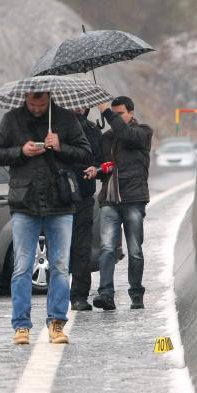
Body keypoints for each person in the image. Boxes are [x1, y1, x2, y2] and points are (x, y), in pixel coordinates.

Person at [0, 92, 92, 345]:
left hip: (60, 203)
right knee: (22, 267)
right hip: (24, 203)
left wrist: (59, 146)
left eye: (41, 104)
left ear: (50, 99)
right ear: (25, 98)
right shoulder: (11, 119)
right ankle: (21, 326)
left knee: (60, 266)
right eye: (32, 104)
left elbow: (86, 153)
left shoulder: (66, 119)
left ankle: (57, 323)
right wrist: (21, 152)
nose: (36, 109)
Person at [84, 96, 153, 311]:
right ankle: (106, 294)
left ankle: (136, 294)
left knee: (134, 250)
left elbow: (126, 134)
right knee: (106, 249)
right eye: (114, 113)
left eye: (120, 113)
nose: (117, 117)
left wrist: (106, 112)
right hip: (109, 199)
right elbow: (105, 166)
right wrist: (95, 170)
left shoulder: (142, 132)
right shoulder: (107, 138)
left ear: (131, 113)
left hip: (134, 198)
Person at [70, 109, 103, 311]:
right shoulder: (53, 127)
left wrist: (95, 169)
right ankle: (68, 296)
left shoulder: (92, 129)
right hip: (58, 198)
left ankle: (79, 295)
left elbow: (99, 160)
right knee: (62, 248)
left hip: (82, 196)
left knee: (82, 247)